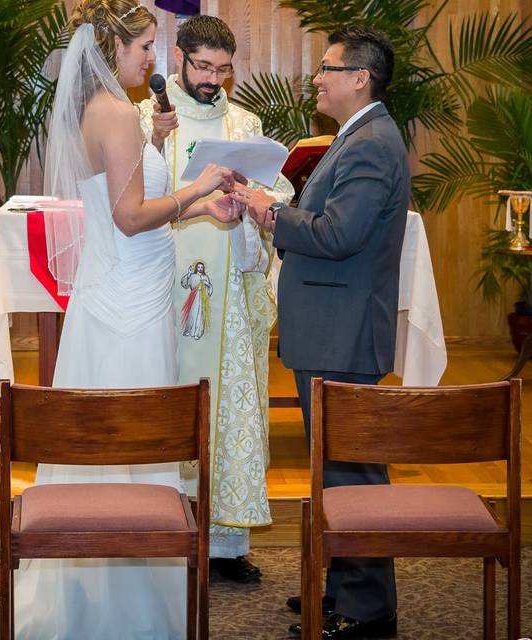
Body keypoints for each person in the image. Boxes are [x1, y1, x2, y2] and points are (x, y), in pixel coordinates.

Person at [0, 2, 239, 638]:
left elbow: (119, 197)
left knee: (112, 442)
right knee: (135, 435)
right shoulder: (117, 111)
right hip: (130, 302)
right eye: (146, 46)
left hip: (122, 292)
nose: (154, 58)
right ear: (112, 49)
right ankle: (125, 603)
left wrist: (156, 151)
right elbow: (129, 217)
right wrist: (200, 186)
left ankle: (109, 590)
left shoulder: (100, 112)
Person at [235, 26, 409, 639]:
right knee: (335, 465)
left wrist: (270, 211)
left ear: (359, 78)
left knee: (351, 469)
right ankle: (342, 587)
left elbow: (339, 235)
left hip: (343, 329)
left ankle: (365, 611)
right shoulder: (360, 135)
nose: (317, 77)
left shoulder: (370, 143)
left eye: (328, 68)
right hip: (333, 325)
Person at [136, 14, 294, 584]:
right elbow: (131, 195)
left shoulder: (244, 120)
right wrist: (155, 139)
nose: (214, 80)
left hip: (228, 290)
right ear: (178, 59)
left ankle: (226, 546)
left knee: (230, 409)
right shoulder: (146, 118)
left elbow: (275, 187)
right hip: (163, 288)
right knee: (171, 400)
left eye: (224, 70)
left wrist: (250, 191)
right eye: (204, 67)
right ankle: (163, 532)